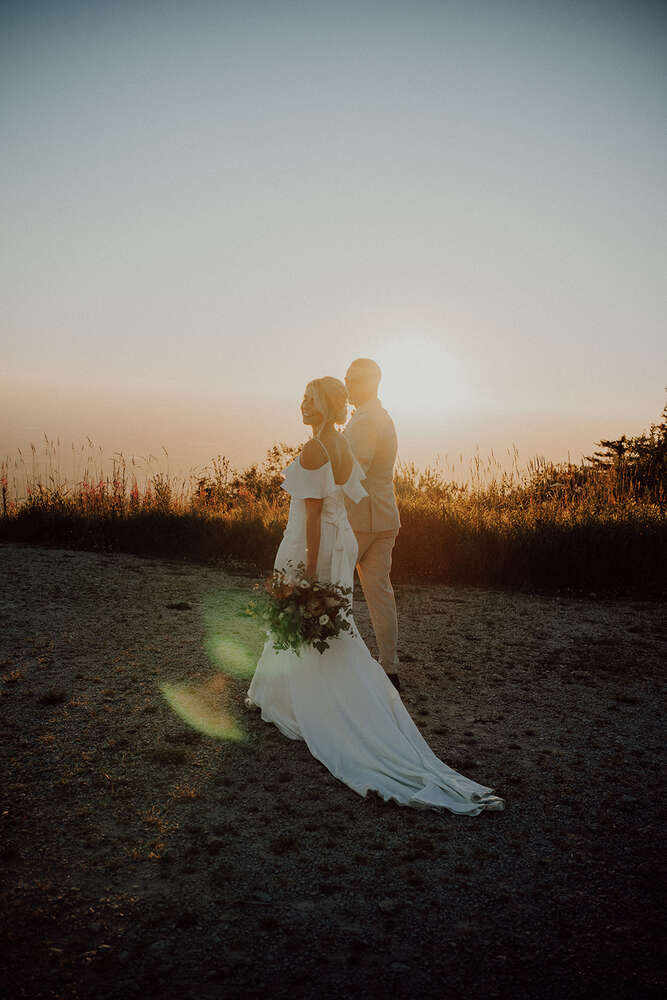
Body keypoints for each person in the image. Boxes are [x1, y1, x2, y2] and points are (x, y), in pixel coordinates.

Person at [245, 376, 504, 815]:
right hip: (338, 541)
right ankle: (281, 691)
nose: (302, 406)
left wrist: (310, 574)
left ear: (326, 407)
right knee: (331, 627)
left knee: (304, 618)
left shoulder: (315, 450)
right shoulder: (342, 446)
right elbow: (346, 500)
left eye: (309, 401)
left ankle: (297, 699)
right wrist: (332, 551)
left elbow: (310, 516)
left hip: (311, 545)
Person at [343, 358, 401, 690]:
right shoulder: (382, 416)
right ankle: (389, 667)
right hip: (384, 515)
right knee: (380, 594)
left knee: (332, 586)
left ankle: (334, 664)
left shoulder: (366, 422)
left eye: (351, 379)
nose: (347, 384)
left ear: (368, 382)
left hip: (360, 519)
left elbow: (355, 473)